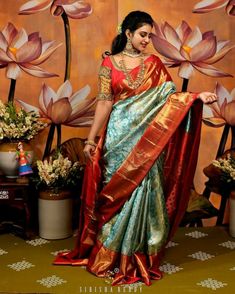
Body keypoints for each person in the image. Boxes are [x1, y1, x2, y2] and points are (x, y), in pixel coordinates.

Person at [54, 11, 217, 285]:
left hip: (147, 144)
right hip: (117, 140)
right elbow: (104, 102)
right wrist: (91, 139)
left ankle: (135, 255)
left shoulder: (153, 63)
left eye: (150, 36)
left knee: (143, 193)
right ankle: (110, 254)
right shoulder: (108, 63)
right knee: (115, 195)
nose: (147, 41)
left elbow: (170, 98)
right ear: (128, 33)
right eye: (143, 34)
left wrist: (196, 97)